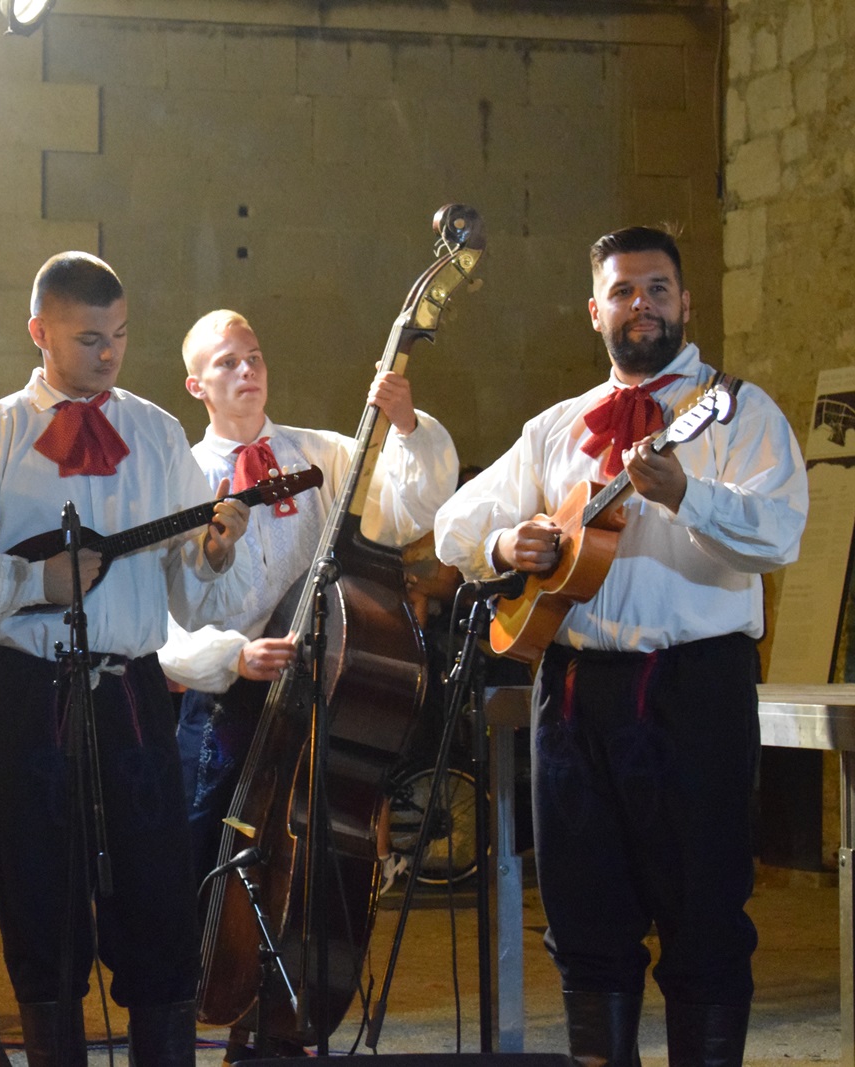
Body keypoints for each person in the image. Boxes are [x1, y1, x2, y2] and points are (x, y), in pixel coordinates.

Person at [434, 226, 808, 1067]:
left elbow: (780, 532)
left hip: (693, 687)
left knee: (705, 914)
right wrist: (506, 544)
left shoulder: (737, 411)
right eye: (624, 291)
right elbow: (454, 522)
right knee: (583, 915)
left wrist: (687, 495)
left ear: (686, 303)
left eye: (658, 289)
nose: (643, 304)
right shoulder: (557, 426)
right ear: (594, 310)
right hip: (573, 691)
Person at [0, 251, 254, 1067]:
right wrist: (35, 582)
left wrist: (213, 551)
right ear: (40, 331)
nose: (110, 354)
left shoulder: (155, 432)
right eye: (90, 339)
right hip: (28, 693)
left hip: (130, 691)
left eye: (121, 336)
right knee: (39, 897)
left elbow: (189, 592)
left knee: (157, 892)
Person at [157, 309, 458, 888]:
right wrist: (232, 656)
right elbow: (162, 614)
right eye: (228, 363)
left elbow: (405, 513)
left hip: (322, 689)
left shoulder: (323, 453)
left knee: (314, 855)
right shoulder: (181, 477)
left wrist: (406, 426)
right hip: (227, 697)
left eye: (254, 357)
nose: (247, 370)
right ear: (197, 386)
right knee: (202, 845)